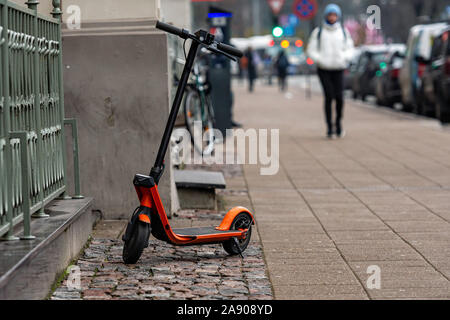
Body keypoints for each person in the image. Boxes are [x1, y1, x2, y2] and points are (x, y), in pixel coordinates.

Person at [307, 3, 354, 138]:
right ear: (326, 16)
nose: (332, 17)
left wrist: (344, 58)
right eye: (330, 15)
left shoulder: (343, 32)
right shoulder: (319, 32)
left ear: (338, 16)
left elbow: (350, 49)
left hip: (339, 68)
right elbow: (311, 50)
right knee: (329, 96)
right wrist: (319, 59)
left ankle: (338, 123)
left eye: (334, 15)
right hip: (324, 68)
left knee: (339, 97)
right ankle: (329, 127)